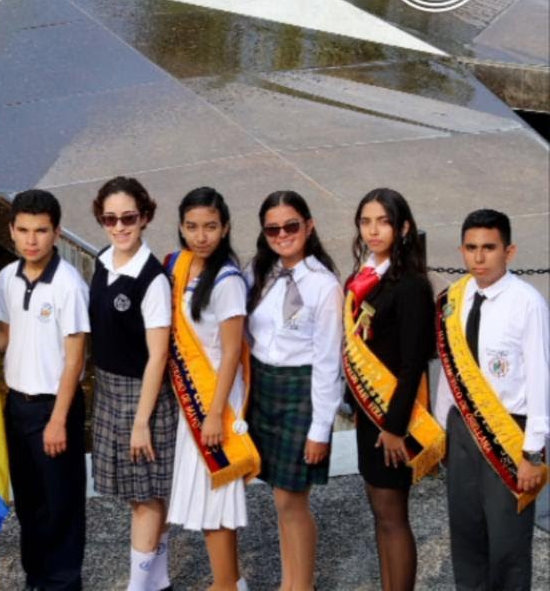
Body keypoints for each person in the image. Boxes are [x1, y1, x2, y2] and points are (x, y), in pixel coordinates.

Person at [433, 209, 548, 591]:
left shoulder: (527, 303)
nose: (478, 258)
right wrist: (441, 429)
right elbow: (450, 376)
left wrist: (533, 452)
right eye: (471, 248)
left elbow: (540, 378)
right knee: (466, 535)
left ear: (509, 251)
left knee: (508, 544)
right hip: (461, 428)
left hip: (509, 431)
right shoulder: (455, 298)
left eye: (489, 248)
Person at [0, 189, 90, 591]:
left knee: (60, 505)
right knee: (29, 503)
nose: (32, 240)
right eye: (24, 230)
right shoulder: (7, 278)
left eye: (41, 231)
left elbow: (74, 359)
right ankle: (37, 578)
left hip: (54, 407)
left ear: (57, 233)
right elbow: (7, 337)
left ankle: (62, 583)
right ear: (11, 230)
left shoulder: (69, 285)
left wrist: (59, 420)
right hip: (18, 406)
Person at [343, 188, 441, 591]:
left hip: (392, 419)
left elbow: (412, 362)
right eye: (366, 222)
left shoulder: (412, 285)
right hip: (370, 414)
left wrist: (395, 426)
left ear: (403, 228)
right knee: (379, 514)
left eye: (383, 222)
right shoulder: (363, 277)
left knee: (393, 516)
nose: (373, 230)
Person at [244, 191, 342, 591]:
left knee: (291, 499)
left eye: (291, 226)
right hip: (263, 388)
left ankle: (300, 586)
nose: (282, 234)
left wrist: (321, 428)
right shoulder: (258, 272)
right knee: (278, 497)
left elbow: (328, 361)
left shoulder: (323, 285)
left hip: (301, 390)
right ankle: (291, 581)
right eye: (273, 228)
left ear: (309, 225)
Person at [85, 177, 175, 591]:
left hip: (142, 395)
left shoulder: (153, 279)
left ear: (146, 217)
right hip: (108, 389)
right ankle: (158, 582)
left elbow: (158, 354)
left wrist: (142, 420)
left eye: (128, 218)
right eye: (109, 219)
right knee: (140, 496)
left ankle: (138, 588)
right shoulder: (104, 260)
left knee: (145, 497)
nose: (119, 227)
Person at [164, 187, 255, 591]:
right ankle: (229, 580)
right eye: (192, 227)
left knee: (217, 500)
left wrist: (215, 412)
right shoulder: (182, 268)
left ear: (226, 228)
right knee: (206, 499)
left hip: (216, 399)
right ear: (182, 228)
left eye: (210, 227)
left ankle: (225, 585)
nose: (201, 236)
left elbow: (234, 348)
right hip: (194, 401)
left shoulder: (227, 279)